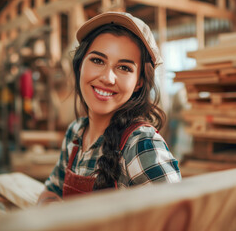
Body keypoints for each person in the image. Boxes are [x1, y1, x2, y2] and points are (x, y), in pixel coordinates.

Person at [38, 12, 181, 204]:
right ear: (80, 65)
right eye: (98, 61)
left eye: (124, 68)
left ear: (139, 82)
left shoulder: (140, 145)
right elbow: (51, 191)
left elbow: (179, 216)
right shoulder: (76, 132)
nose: (107, 78)